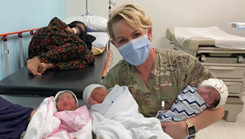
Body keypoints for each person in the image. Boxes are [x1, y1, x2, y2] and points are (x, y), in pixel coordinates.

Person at [101, 3, 225, 139]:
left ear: (148, 32)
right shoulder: (116, 77)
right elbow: (100, 115)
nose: (131, 44)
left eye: (136, 34)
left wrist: (186, 126)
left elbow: (218, 109)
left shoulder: (182, 64)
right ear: (115, 44)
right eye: (122, 40)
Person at [83, 84, 172, 139]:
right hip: (121, 125)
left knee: (151, 132)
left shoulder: (120, 93)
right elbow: (99, 119)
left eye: (99, 89)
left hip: (134, 118)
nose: (98, 92)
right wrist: (97, 107)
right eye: (94, 94)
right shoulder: (97, 111)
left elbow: (129, 105)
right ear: (92, 101)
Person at [156, 78, 228, 139]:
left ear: (212, 105)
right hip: (168, 117)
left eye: (210, 95)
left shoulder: (204, 104)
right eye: (206, 88)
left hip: (179, 125)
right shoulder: (190, 90)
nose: (204, 92)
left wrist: (184, 127)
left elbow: (220, 111)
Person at [27, 17, 95, 76]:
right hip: (44, 37)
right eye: (78, 28)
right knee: (82, 47)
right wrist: (72, 30)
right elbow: (54, 20)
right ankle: (38, 59)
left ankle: (49, 65)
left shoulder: (69, 47)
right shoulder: (61, 29)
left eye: (81, 33)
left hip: (42, 51)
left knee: (90, 58)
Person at [24, 90, 92, 139]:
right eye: (61, 99)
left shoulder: (80, 114)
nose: (65, 100)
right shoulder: (54, 115)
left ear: (75, 105)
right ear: (56, 106)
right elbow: (47, 125)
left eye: (68, 98)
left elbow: (82, 125)